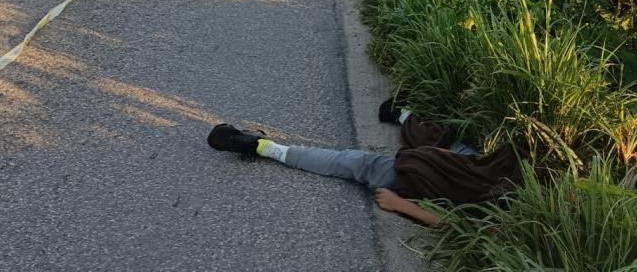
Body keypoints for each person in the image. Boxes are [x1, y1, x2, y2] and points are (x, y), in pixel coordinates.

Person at [207, 99, 523, 226]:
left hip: (420, 177)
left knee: (354, 163)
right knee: (444, 141)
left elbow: (462, 226)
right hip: (458, 165)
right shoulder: (545, 180)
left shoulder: (528, 219)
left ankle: (262, 146)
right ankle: (403, 114)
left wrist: (401, 205)